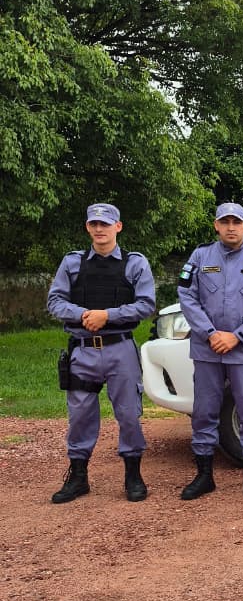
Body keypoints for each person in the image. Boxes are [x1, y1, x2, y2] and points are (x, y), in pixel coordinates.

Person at [47, 203, 156, 503]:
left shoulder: (135, 264)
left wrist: (107, 316)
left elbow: (146, 305)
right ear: (87, 227)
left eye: (105, 224)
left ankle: (133, 475)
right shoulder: (72, 263)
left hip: (120, 348)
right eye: (94, 224)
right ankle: (79, 477)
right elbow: (55, 301)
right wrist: (85, 314)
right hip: (83, 351)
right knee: (80, 415)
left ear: (118, 227)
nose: (99, 229)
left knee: (129, 414)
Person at [177, 202, 243, 500]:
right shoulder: (199, 256)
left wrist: (237, 336)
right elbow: (187, 296)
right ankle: (204, 475)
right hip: (207, 349)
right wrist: (210, 333)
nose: (231, 227)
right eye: (225, 222)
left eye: (237, 222)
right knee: (204, 411)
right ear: (216, 225)